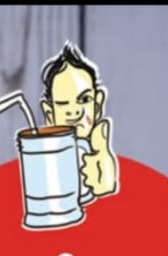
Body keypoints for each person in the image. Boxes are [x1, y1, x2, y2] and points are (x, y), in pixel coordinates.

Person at [40, 42, 118, 200]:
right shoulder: (45, 159)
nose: (74, 111)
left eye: (84, 100)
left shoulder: (99, 145)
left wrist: (106, 183)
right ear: (49, 114)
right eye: (63, 103)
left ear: (97, 104)